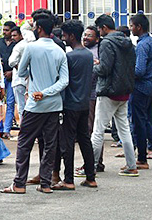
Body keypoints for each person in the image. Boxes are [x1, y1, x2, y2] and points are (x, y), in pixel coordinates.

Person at [2, 11, 67, 194]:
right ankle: (45, 183)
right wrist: (46, 92)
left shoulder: (30, 48)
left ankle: (19, 183)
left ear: (38, 29)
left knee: (24, 143)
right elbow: (64, 81)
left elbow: (21, 73)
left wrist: (38, 91)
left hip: (35, 104)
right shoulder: (59, 50)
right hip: (53, 104)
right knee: (49, 144)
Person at [90, 15, 138, 177]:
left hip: (108, 91)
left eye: (98, 29)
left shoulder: (106, 43)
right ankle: (131, 165)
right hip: (124, 91)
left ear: (103, 27)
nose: (98, 32)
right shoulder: (127, 42)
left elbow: (104, 69)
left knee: (98, 130)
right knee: (124, 130)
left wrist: (94, 66)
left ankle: (91, 166)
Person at [56, 20, 96, 189]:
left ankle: (68, 179)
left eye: (65, 35)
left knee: (68, 142)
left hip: (70, 104)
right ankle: (90, 176)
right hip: (84, 103)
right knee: (85, 140)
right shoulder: (88, 55)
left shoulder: (69, 57)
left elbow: (63, 81)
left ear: (71, 36)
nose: (63, 38)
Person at [127, 14, 152, 167]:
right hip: (151, 86)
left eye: (132, 25)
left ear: (139, 27)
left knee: (139, 122)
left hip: (140, 87)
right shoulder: (151, 42)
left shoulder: (142, 45)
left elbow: (139, 70)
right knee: (144, 121)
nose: (130, 28)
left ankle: (145, 157)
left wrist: (125, 73)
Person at [0, 21, 19, 133]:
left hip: (13, 76)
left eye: (7, 30)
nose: (4, 32)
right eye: (3, 30)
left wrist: (12, 72)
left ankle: (7, 130)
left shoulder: (17, 44)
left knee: (10, 102)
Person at [6, 27, 31, 140]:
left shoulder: (19, 46)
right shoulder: (32, 44)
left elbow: (11, 62)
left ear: (22, 35)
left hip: (19, 80)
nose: (13, 38)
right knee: (29, 107)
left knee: (22, 108)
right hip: (29, 80)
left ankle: (24, 133)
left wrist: (20, 69)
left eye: (15, 35)